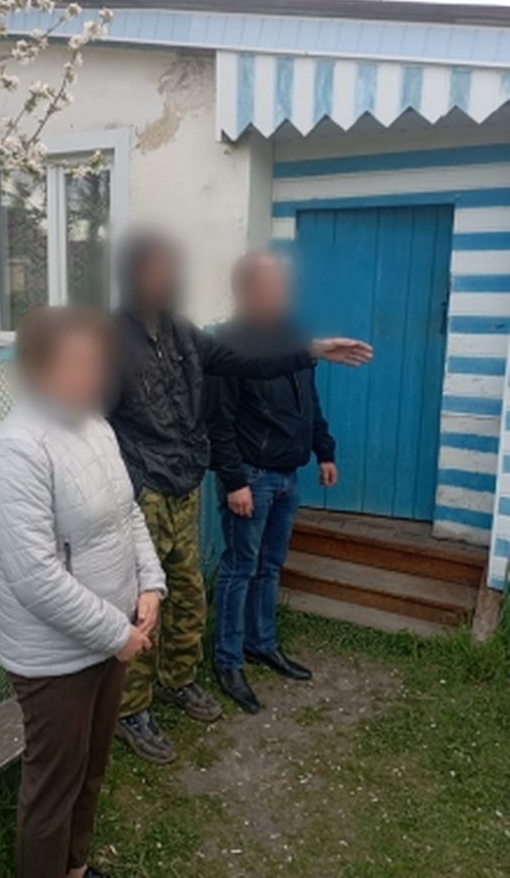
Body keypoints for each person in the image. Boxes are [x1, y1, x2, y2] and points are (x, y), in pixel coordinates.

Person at [109, 233, 372, 762]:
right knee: (141, 602)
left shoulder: (184, 333)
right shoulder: (111, 339)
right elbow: (92, 418)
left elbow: (249, 363)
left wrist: (313, 350)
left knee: (188, 592)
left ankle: (179, 679)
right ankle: (131, 709)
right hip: (142, 491)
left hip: (182, 484)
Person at [0, 306, 167, 878]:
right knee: (53, 789)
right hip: (55, 658)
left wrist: (150, 584)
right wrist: (116, 634)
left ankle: (75, 868)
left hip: (112, 639)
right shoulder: (15, 450)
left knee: (90, 771)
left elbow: (128, 514)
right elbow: (35, 577)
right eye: (79, 364)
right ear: (39, 369)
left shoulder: (95, 425)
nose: (95, 376)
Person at [207, 250, 343, 714]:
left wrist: (324, 449)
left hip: (288, 475)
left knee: (270, 565)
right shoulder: (228, 345)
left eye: (283, 284)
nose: (282, 292)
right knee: (239, 568)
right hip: (251, 477)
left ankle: (261, 643)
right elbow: (218, 423)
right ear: (246, 290)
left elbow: (310, 402)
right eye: (272, 285)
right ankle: (228, 660)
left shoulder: (295, 338)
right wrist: (234, 481)